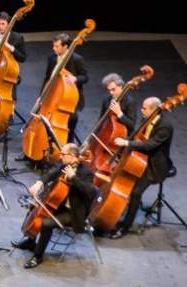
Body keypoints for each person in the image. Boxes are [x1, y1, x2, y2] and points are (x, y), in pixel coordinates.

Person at [13, 142, 98, 268]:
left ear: (73, 156)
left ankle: (38, 256)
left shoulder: (86, 173)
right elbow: (51, 172)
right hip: (59, 204)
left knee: (46, 223)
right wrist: (39, 183)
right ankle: (31, 241)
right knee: (35, 208)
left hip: (73, 212)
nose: (60, 156)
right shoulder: (64, 164)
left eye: (63, 154)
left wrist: (73, 178)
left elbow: (90, 192)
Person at [107, 96, 175, 238]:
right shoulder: (147, 119)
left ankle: (125, 227)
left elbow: (151, 144)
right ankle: (118, 214)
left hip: (154, 166)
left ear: (154, 110)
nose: (141, 110)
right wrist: (127, 141)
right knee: (127, 184)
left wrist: (127, 144)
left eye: (144, 108)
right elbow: (137, 136)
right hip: (141, 159)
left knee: (136, 192)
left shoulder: (165, 126)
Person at [43, 31, 88, 136]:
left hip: (70, 98)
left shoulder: (77, 59)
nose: (53, 48)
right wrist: (42, 95)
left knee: (72, 118)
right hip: (53, 93)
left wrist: (75, 79)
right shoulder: (52, 58)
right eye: (53, 46)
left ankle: (68, 142)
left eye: (56, 46)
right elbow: (47, 78)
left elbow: (85, 77)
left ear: (65, 47)